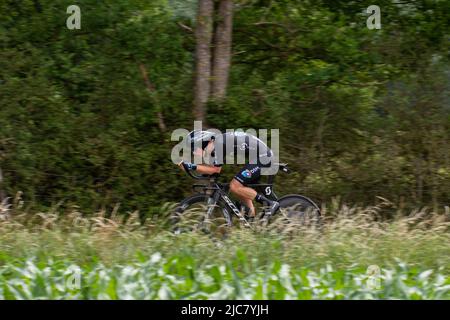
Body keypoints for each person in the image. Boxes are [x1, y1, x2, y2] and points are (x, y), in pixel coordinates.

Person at [178, 130, 280, 219]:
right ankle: (251, 218)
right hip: (260, 156)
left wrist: (191, 166)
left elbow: (215, 170)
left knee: (234, 185)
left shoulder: (219, 144)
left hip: (264, 157)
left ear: (204, 142)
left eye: (194, 149)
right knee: (240, 186)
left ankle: (270, 204)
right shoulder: (218, 143)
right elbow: (213, 170)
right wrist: (195, 168)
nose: (194, 153)